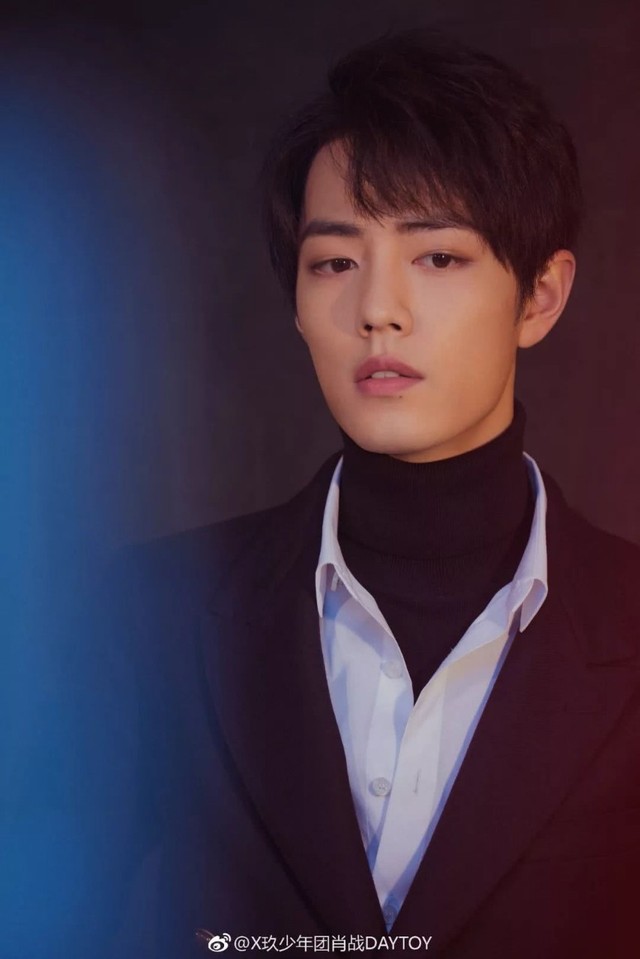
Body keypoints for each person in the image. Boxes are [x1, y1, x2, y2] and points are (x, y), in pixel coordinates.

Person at [75, 27, 640, 959]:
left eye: (438, 257)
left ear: (540, 295)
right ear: (297, 302)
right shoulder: (150, 615)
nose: (377, 309)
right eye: (335, 262)